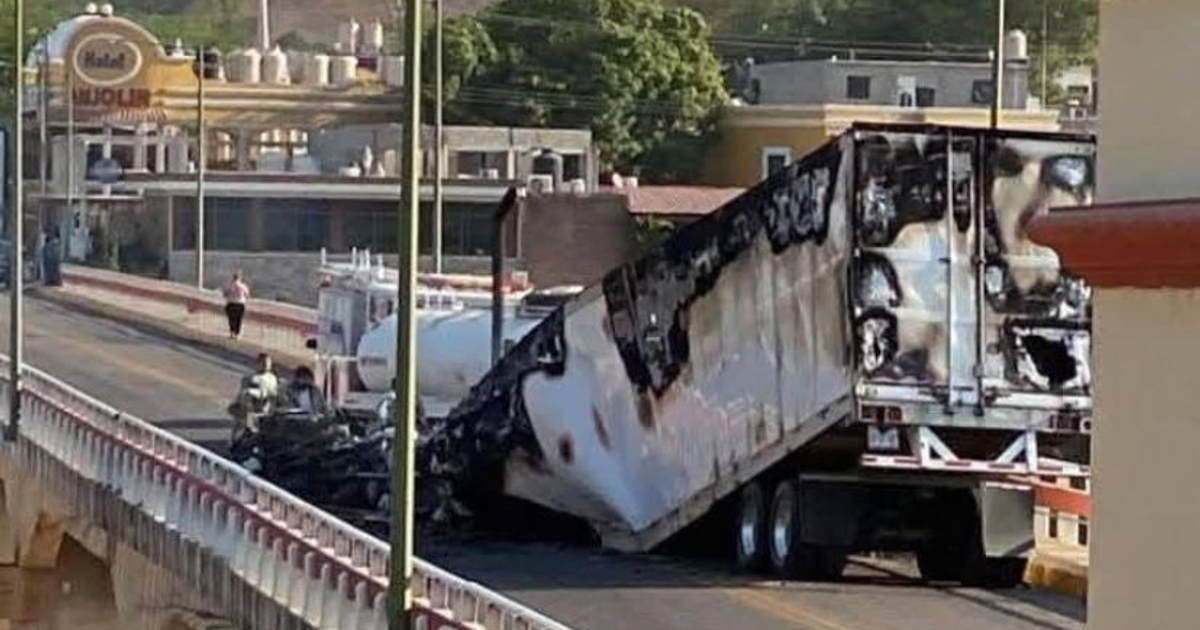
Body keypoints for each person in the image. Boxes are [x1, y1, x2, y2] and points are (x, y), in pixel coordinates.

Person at [229, 353, 280, 439]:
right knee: (239, 418)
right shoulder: (251, 377)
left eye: (268, 363)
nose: (266, 366)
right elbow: (245, 392)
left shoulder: (272, 378)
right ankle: (235, 438)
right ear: (258, 364)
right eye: (263, 363)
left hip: (266, 407)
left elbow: (274, 394)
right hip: (251, 407)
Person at [223, 271, 250, 339]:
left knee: (231, 319)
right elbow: (247, 295)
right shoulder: (243, 286)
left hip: (231, 304)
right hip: (240, 304)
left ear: (233, 277)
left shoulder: (229, 285)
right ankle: (237, 334)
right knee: (239, 319)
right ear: (240, 278)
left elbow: (225, 294)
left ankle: (232, 333)